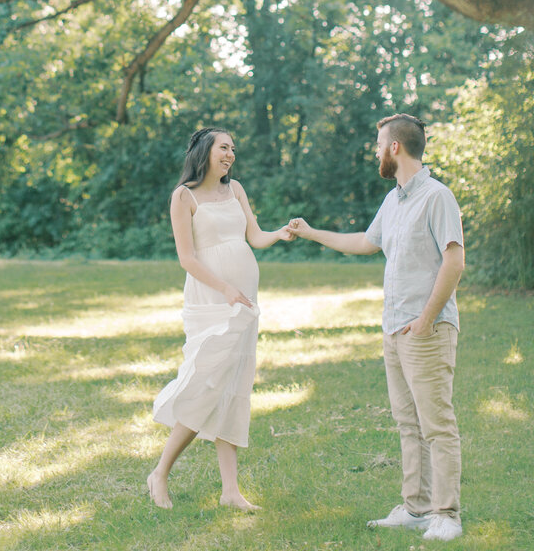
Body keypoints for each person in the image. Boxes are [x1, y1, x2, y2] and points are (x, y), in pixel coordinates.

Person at [289, 113, 464, 543]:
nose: (375, 152)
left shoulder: (437, 197)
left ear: (395, 148)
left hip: (426, 330)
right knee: (408, 423)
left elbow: (454, 261)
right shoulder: (394, 200)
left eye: (377, 144)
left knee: (437, 425)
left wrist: (425, 320)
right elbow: (366, 243)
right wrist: (311, 233)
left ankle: (447, 515)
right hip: (394, 331)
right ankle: (416, 508)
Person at [148, 126, 294, 511]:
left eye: (233, 149)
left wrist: (280, 233)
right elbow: (187, 258)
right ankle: (160, 472)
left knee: (233, 388)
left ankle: (230, 490)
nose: (230, 154)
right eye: (223, 148)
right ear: (204, 152)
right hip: (211, 297)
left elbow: (255, 236)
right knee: (206, 386)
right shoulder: (184, 196)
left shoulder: (237, 190)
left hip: (244, 302)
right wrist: (226, 289)